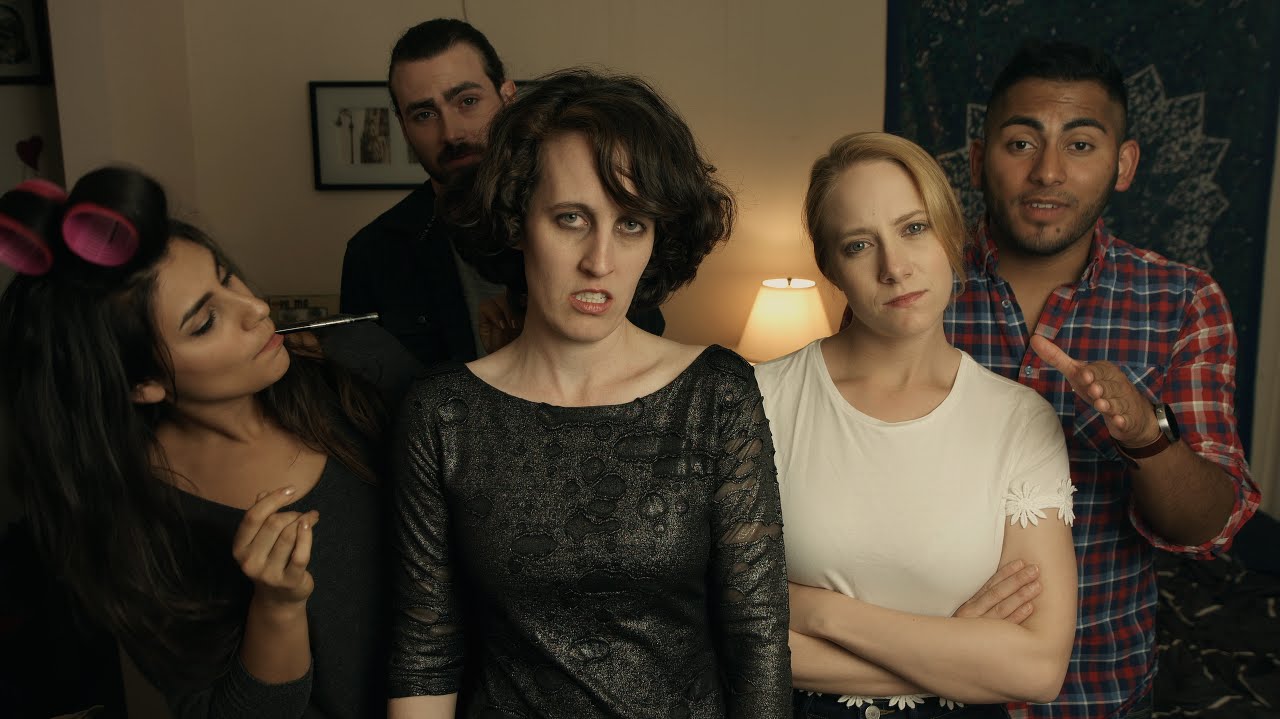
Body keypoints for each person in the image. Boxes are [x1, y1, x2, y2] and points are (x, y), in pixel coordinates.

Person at [386, 69, 791, 718]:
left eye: (631, 224)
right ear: (517, 222)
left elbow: (758, 641)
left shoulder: (715, 393)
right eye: (571, 218)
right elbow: (425, 650)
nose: (600, 261)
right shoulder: (442, 413)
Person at [0, 167, 420, 718]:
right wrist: (275, 608)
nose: (257, 309)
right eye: (205, 322)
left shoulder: (363, 366)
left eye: (228, 278)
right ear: (142, 384)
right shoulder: (132, 526)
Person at [953, 40, 1261, 719]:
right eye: (1021, 143)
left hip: (1094, 691)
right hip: (925, 681)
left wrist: (1147, 435)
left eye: (1081, 145)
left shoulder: (1183, 302)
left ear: (1123, 165)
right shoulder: (909, 288)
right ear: (978, 160)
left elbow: (1210, 526)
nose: (1048, 171)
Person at [756, 132, 1077, 718]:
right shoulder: (757, 400)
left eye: (914, 228)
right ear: (831, 267)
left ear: (950, 236)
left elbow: (1037, 669)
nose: (895, 268)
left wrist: (821, 613)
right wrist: (958, 651)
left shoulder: (1019, 420)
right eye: (859, 245)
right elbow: (721, 633)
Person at [340, 18, 663, 366]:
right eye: (424, 114)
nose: (451, 133)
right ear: (404, 128)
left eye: (467, 101)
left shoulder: (604, 219)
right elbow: (362, 388)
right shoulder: (374, 252)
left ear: (508, 97)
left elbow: (643, 340)